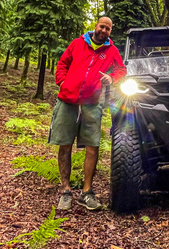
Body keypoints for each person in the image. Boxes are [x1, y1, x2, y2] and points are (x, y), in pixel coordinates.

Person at [49, 16, 127, 211]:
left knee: (93, 146)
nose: (104, 31)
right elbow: (62, 64)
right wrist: (62, 82)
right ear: (95, 26)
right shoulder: (77, 43)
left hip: (92, 103)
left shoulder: (111, 50)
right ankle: (66, 191)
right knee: (65, 144)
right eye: (102, 26)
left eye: (108, 29)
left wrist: (111, 77)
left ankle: (87, 192)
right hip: (67, 100)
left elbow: (121, 69)